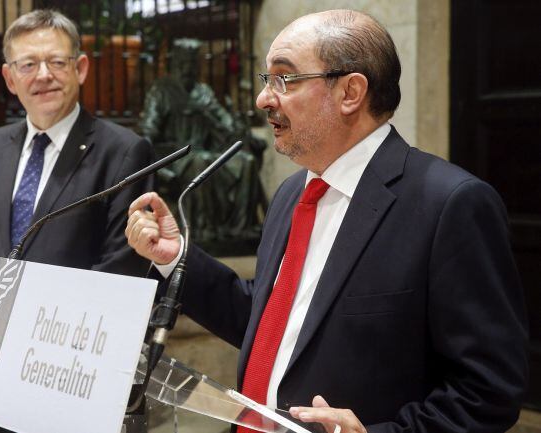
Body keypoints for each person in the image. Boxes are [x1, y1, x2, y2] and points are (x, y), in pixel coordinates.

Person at [126, 9, 527, 433]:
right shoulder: (291, 195)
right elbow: (272, 324)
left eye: (284, 78)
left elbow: (488, 393)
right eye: (267, 80)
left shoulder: (450, 204)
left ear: (350, 92)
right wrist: (177, 258)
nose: (264, 99)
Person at [0, 9, 153, 433]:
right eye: (28, 65)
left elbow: (120, 267)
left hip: (71, 377)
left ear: (81, 68)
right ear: (9, 78)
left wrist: (39, 340)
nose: (43, 75)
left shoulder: (123, 152)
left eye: (57, 62)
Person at [140, 38, 266, 243]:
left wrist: (237, 129)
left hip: (205, 152)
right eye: (184, 64)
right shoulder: (161, 91)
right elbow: (147, 133)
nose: (188, 69)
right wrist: (160, 168)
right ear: (176, 64)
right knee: (200, 162)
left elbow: (227, 126)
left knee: (246, 163)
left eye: (192, 64)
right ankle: (202, 230)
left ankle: (240, 229)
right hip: (176, 158)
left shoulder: (204, 93)